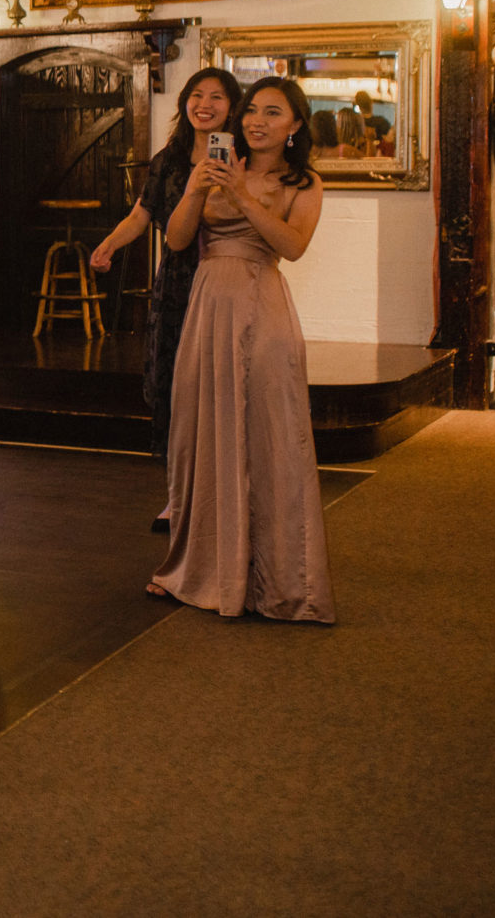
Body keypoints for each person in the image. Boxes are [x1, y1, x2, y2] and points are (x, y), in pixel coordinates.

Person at [150, 77, 334, 623]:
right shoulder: (213, 164)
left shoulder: (305, 182)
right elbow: (177, 239)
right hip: (207, 308)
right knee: (200, 436)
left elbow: (292, 247)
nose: (257, 121)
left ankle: (278, 580)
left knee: (270, 440)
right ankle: (201, 567)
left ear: (295, 126)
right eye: (252, 110)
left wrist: (240, 196)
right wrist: (196, 189)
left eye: (273, 113)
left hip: (262, 307)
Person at [89, 68, 243, 534]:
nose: (206, 105)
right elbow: (142, 214)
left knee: (221, 389)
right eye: (197, 95)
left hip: (227, 278)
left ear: (232, 108)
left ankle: (225, 495)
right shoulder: (169, 159)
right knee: (174, 390)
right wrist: (110, 245)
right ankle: (177, 498)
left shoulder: (244, 158)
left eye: (217, 97)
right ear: (184, 103)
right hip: (178, 281)